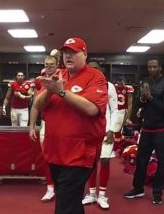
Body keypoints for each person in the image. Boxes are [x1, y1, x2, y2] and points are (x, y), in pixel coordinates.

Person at [34, 37, 108, 214]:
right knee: (70, 200)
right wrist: (50, 90)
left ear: (85, 55)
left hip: (80, 154)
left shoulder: (95, 76)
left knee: (65, 204)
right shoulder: (58, 76)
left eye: (73, 53)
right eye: (66, 53)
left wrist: (60, 91)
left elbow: (91, 109)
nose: (68, 56)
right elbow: (38, 105)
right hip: (56, 151)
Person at [124, 57, 164, 205]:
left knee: (162, 163)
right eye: (149, 67)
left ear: (160, 68)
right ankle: (138, 188)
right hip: (147, 128)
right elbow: (138, 102)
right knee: (141, 160)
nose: (151, 69)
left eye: (154, 67)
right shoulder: (145, 82)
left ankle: (157, 193)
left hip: (162, 130)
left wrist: (150, 98)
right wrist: (143, 99)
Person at [82, 61, 120, 209]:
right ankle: (91, 194)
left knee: (104, 161)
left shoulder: (108, 86)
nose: (93, 71)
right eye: (91, 68)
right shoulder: (84, 85)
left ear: (101, 70)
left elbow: (115, 110)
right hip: (89, 131)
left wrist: (112, 130)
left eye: (96, 68)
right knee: (90, 163)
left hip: (105, 131)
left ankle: (102, 195)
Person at [29, 54, 59, 202]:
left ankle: (61, 185)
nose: (48, 67)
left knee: (62, 156)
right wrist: (31, 126)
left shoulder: (63, 78)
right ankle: (50, 187)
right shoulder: (39, 81)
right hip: (46, 123)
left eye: (51, 65)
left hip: (61, 123)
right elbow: (35, 105)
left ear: (57, 65)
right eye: (46, 64)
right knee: (47, 156)